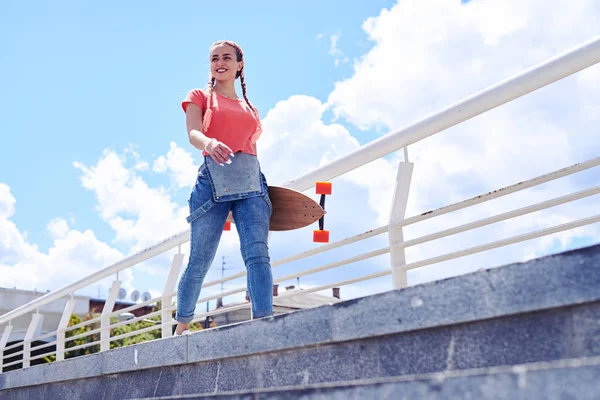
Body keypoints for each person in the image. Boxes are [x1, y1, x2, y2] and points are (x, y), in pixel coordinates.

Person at [174, 40, 273, 336]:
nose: (220, 62)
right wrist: (210, 143)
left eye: (227, 58)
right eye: (214, 58)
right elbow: (193, 133)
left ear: (239, 65)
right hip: (212, 183)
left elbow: (251, 148)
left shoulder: (249, 107)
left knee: (258, 254)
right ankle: (181, 326)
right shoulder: (200, 96)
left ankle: (264, 323)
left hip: (251, 184)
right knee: (200, 260)